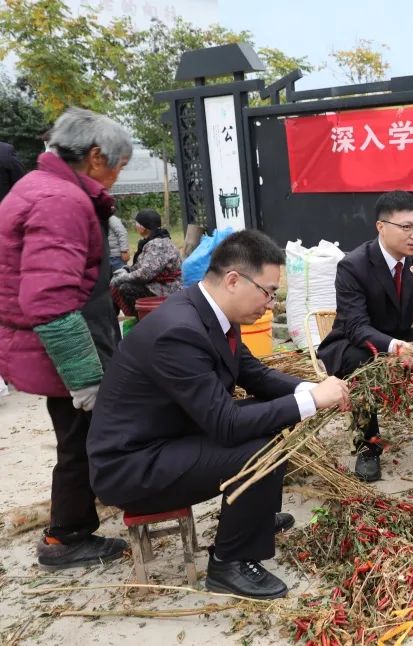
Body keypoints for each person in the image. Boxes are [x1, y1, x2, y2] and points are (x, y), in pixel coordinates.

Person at [87, 230, 351, 600]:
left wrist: (309, 390)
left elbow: (254, 374)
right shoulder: (179, 331)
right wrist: (312, 402)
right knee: (259, 449)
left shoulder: (209, 314)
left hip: (168, 436)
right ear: (233, 280)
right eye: (269, 292)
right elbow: (226, 425)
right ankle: (230, 563)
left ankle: (253, 518)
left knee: (270, 420)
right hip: (133, 466)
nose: (271, 304)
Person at [0, 108, 132, 569]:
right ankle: (67, 537)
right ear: (96, 157)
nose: (117, 177)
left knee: (79, 436)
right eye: (119, 166)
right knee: (81, 438)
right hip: (66, 348)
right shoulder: (61, 200)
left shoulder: (39, 187)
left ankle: (82, 516)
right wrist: (86, 380)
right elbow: (51, 302)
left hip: (70, 339)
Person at [317, 190, 413, 481]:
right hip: (353, 343)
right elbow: (356, 326)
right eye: (406, 227)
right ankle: (368, 446)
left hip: (398, 336)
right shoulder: (354, 265)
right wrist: (398, 348)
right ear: (381, 227)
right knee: (364, 364)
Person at [110, 209, 182, 314]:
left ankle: (141, 319)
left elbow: (145, 274)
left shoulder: (158, 244)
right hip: (157, 284)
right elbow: (140, 265)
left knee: (125, 288)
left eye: (137, 223)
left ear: (142, 228)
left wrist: (123, 277)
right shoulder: (150, 242)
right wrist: (126, 269)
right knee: (118, 282)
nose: (136, 226)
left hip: (167, 288)